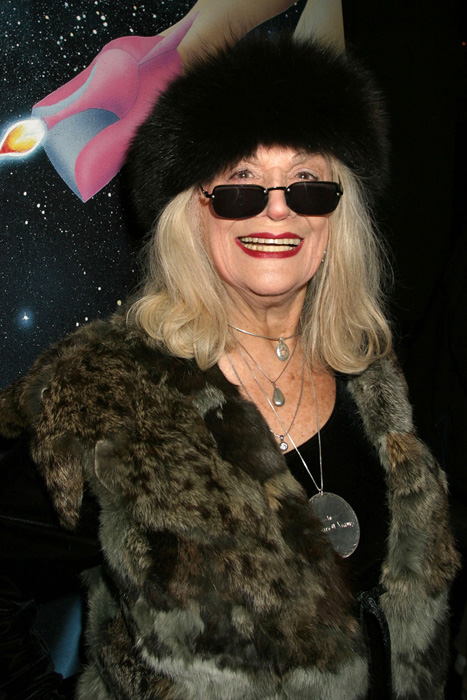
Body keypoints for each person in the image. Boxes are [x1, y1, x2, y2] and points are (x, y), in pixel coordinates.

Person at [0, 32, 459, 700]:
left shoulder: (378, 369)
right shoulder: (108, 397)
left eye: (306, 184)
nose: (278, 208)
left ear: (338, 213)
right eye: (240, 183)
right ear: (191, 212)